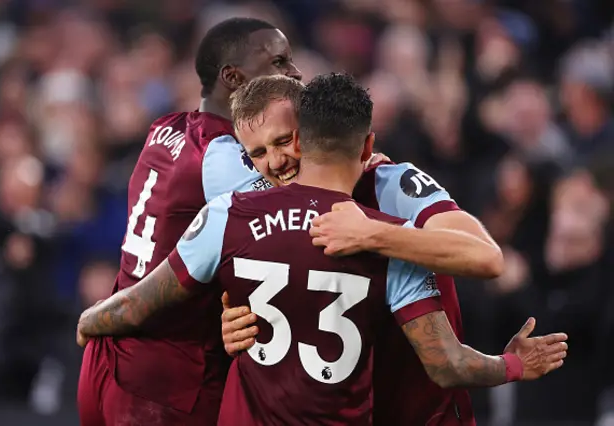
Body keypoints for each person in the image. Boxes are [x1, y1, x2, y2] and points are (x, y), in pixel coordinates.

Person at [77, 74, 568, 425]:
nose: (275, 162)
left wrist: (376, 233)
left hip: (414, 406)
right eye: (258, 153)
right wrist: (229, 323)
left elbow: (487, 258)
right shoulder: (245, 208)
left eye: (284, 141)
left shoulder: (391, 184)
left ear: (309, 135)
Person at [76, 17, 302, 426]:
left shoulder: (165, 128)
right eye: (279, 62)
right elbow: (303, 219)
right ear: (234, 77)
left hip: (112, 355)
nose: (295, 73)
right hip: (168, 375)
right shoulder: (221, 158)